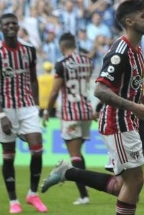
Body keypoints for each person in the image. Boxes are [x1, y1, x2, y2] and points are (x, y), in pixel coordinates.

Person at [41, 0, 144, 215]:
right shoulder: (119, 52)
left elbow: (124, 86)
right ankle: (69, 173)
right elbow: (100, 90)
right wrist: (134, 105)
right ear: (129, 22)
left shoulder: (137, 50)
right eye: (142, 16)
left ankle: (69, 172)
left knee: (124, 186)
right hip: (117, 123)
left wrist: (140, 98)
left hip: (126, 121)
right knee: (136, 182)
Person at [0, 13, 48, 214]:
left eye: (14, 23)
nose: (11, 26)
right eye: (6, 24)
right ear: (1, 28)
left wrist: (36, 106)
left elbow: (33, 79)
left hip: (27, 106)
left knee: (37, 148)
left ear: (18, 26)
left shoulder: (29, 50)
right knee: (9, 156)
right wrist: (1, 114)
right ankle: (13, 201)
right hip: (6, 108)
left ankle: (32, 194)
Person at [41, 33, 95, 206]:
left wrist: (47, 111)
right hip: (86, 111)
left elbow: (55, 91)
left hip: (70, 113)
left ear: (62, 47)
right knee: (78, 154)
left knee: (74, 156)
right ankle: (85, 191)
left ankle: (84, 196)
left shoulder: (61, 64)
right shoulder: (88, 61)